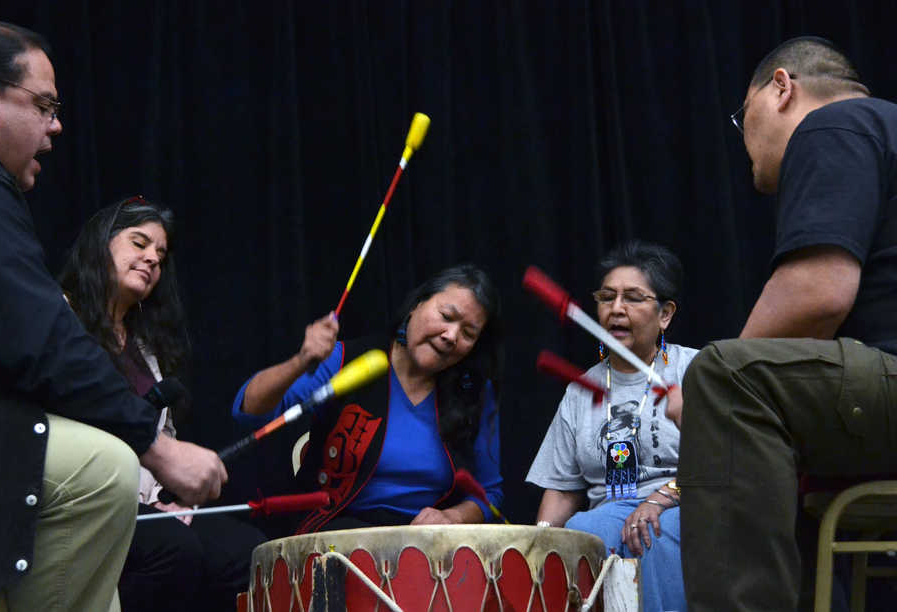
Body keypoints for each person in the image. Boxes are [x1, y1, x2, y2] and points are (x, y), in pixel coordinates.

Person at [0, 20, 226, 610]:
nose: (56, 128)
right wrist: (156, 445)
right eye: (46, 106)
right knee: (101, 468)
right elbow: (36, 335)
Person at [666, 37, 897, 611]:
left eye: (742, 119)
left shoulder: (836, 124)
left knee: (723, 375)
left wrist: (704, 393)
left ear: (782, 88)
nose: (743, 142)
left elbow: (818, 293)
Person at [59, 197, 266, 610]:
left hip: (147, 506)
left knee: (248, 554)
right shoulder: (58, 315)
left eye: (160, 254)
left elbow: (162, 437)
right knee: (174, 551)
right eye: (139, 243)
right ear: (101, 244)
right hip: (87, 498)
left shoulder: (144, 346)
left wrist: (175, 502)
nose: (152, 258)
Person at [232, 264, 504, 533]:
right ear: (416, 306)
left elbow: (488, 493)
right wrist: (301, 361)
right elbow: (249, 410)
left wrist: (453, 517)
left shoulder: (474, 393)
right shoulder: (346, 361)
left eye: (468, 333)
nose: (451, 336)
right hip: (338, 538)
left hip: (426, 545)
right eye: (446, 316)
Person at [527, 240, 696, 612]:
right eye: (607, 297)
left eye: (633, 298)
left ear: (665, 314)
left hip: (685, 502)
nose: (616, 308)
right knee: (584, 533)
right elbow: (562, 489)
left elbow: (724, 460)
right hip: (608, 512)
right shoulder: (579, 391)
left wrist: (656, 501)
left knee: (651, 533)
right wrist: (537, 544)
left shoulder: (695, 371)